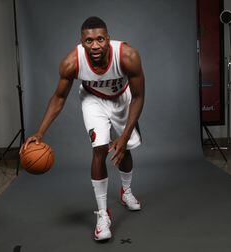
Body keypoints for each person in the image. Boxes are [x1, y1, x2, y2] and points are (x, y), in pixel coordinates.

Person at [21, 16, 145, 241]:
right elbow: (59, 98)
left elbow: (138, 96)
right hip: (93, 99)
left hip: (122, 99)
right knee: (99, 148)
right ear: (81, 41)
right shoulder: (72, 62)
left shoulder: (127, 56)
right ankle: (102, 214)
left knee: (124, 149)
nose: (95, 45)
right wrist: (40, 133)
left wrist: (124, 136)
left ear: (108, 39)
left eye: (99, 39)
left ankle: (126, 191)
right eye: (89, 41)